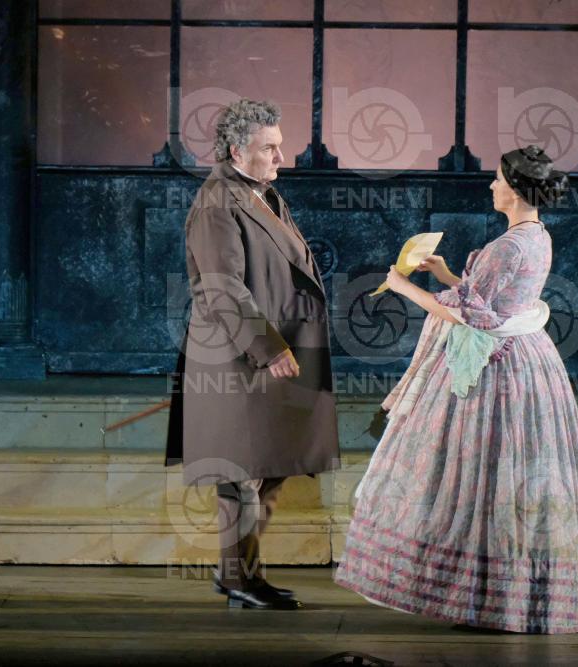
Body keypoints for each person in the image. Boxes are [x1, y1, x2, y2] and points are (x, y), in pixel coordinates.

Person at [333, 145, 578, 634]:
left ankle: (485, 599)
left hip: (496, 367)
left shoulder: (509, 246)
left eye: (498, 178)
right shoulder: (538, 235)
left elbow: (469, 316)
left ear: (516, 188)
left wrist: (402, 287)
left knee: (479, 474)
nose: (491, 185)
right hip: (527, 358)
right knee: (501, 478)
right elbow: (489, 300)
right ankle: (503, 598)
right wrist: (444, 274)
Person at [165, 99, 339, 610]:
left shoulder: (261, 193)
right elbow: (221, 287)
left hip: (272, 353)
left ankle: (238, 574)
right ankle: (238, 578)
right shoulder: (217, 202)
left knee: (268, 465)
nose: (281, 157)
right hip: (238, 359)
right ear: (237, 151)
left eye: (279, 146)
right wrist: (268, 346)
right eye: (270, 148)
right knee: (241, 472)